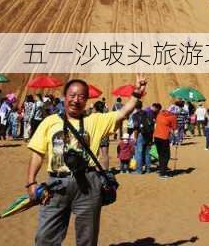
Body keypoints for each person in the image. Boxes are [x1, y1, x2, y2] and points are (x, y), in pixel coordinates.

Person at [26, 75, 147, 245]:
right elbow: (37, 154)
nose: (76, 100)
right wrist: (31, 182)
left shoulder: (95, 120)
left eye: (81, 97)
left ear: (86, 100)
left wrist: (136, 93)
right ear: (64, 97)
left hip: (88, 184)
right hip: (56, 184)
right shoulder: (49, 122)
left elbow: (123, 112)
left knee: (87, 239)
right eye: (72, 96)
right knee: (45, 238)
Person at [133, 102, 158, 175]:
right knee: (147, 153)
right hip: (149, 135)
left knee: (139, 153)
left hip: (141, 135)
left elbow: (136, 127)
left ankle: (139, 170)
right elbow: (153, 125)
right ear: (141, 106)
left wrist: (135, 137)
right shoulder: (148, 113)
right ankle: (148, 170)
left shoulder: (135, 115)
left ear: (135, 107)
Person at [153, 104, 177, 179]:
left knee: (161, 155)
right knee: (166, 156)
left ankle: (161, 170)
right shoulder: (172, 117)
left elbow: (159, 124)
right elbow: (174, 128)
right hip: (164, 137)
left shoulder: (160, 114)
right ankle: (163, 173)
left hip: (156, 136)